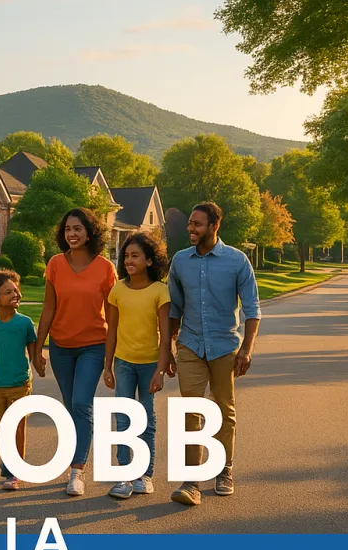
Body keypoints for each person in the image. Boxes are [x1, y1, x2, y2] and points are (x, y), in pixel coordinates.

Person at [166, 202, 261, 506]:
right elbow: (174, 308)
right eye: (190, 224)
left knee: (223, 410)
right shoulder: (180, 261)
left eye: (197, 224)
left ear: (214, 225)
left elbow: (252, 309)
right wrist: (168, 345)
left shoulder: (237, 261)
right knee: (191, 411)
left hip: (224, 347)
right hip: (190, 345)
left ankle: (224, 469)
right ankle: (192, 480)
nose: (191, 229)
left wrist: (246, 349)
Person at [35, 208, 117, 497]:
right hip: (61, 347)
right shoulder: (56, 264)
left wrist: (111, 357)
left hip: (93, 345)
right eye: (68, 229)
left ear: (89, 232)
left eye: (78, 228)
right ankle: (75, 458)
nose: (72, 233)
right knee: (71, 406)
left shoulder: (105, 268)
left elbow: (113, 313)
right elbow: (48, 308)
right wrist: (38, 347)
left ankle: (77, 471)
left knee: (82, 403)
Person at [102, 231, 172, 499]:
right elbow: (112, 331)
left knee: (147, 420)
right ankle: (124, 477)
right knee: (123, 419)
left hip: (149, 364)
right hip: (123, 363)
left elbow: (165, 336)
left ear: (150, 261)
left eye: (136, 256)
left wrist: (160, 370)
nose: (129, 260)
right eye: (127, 256)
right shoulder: (117, 289)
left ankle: (145, 475)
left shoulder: (159, 291)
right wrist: (108, 367)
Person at [0, 269, 39, 491]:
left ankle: (15, 471)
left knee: (18, 427)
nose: (16, 294)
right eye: (8, 292)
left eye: (16, 290)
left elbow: (33, 349)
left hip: (20, 384)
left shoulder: (25, 323)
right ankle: (8, 458)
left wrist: (38, 363)